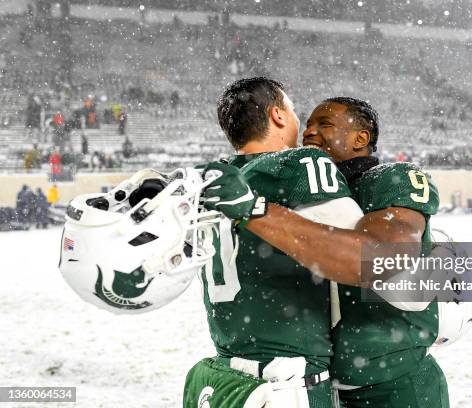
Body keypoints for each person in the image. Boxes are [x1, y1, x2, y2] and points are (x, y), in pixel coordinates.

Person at [204, 97, 449, 407]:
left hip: (393, 384)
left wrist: (256, 210)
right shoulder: (302, 183)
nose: (309, 132)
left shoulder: (389, 179)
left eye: (325, 125)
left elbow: (386, 258)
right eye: (308, 125)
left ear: (361, 138)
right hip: (320, 384)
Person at [183, 78, 364, 408]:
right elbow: (366, 260)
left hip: (228, 378)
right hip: (289, 382)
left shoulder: (208, 179)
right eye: (293, 110)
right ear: (278, 115)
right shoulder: (297, 164)